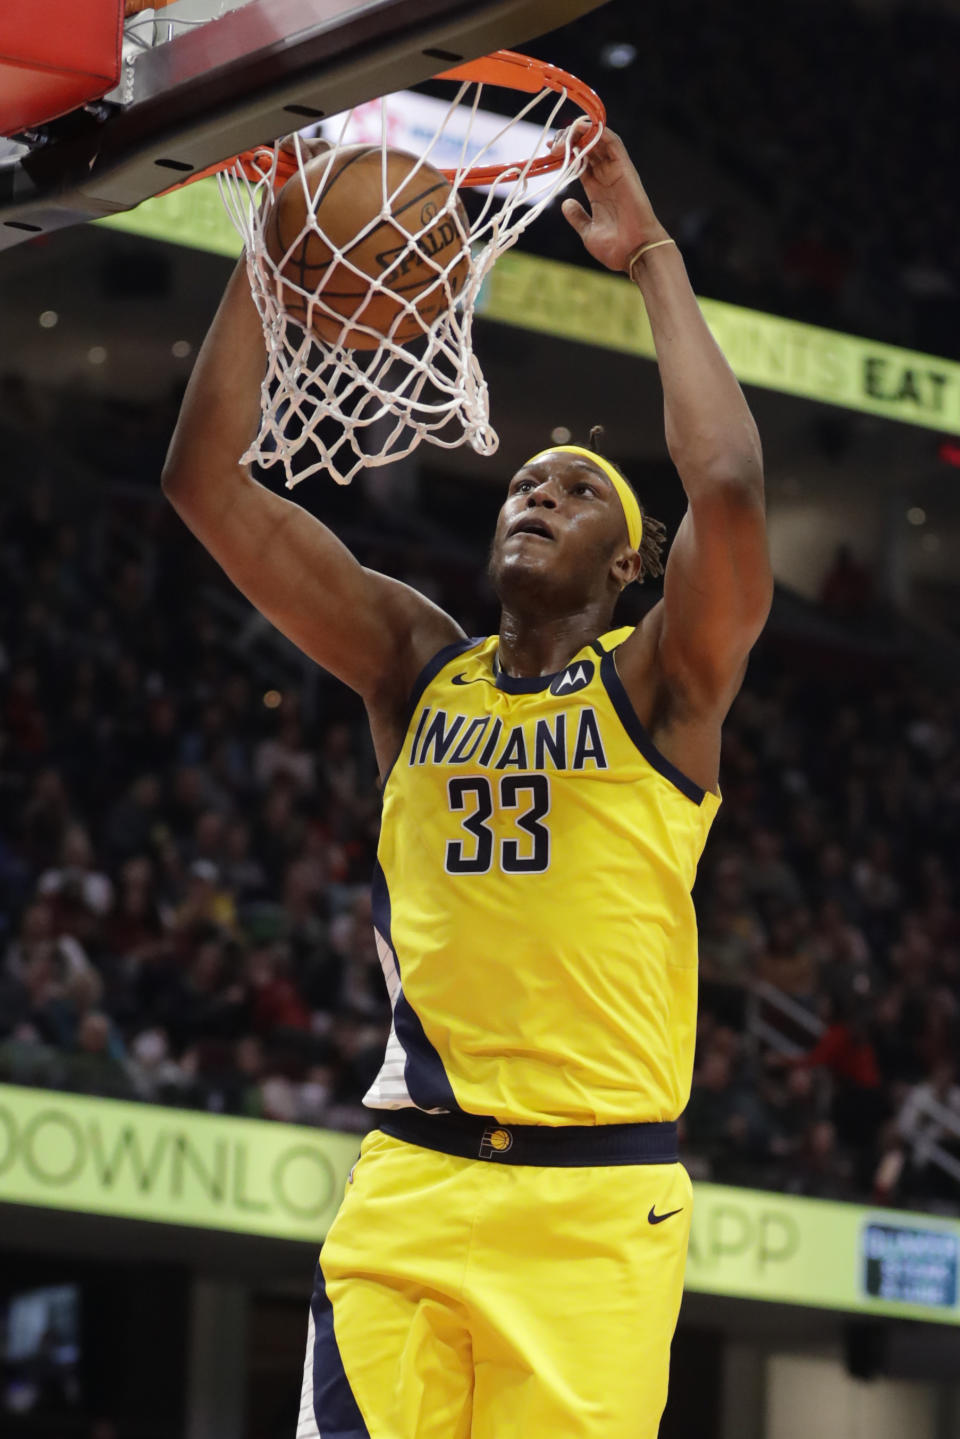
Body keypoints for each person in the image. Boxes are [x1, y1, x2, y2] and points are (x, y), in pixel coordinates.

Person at [162, 121, 772, 1439]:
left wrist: (651, 253)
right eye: (522, 483)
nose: (533, 496)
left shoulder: (659, 691)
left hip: (595, 1213)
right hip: (414, 1190)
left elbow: (724, 483)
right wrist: (277, 246)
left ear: (628, 571)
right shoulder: (410, 669)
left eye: (575, 491)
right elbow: (206, 482)